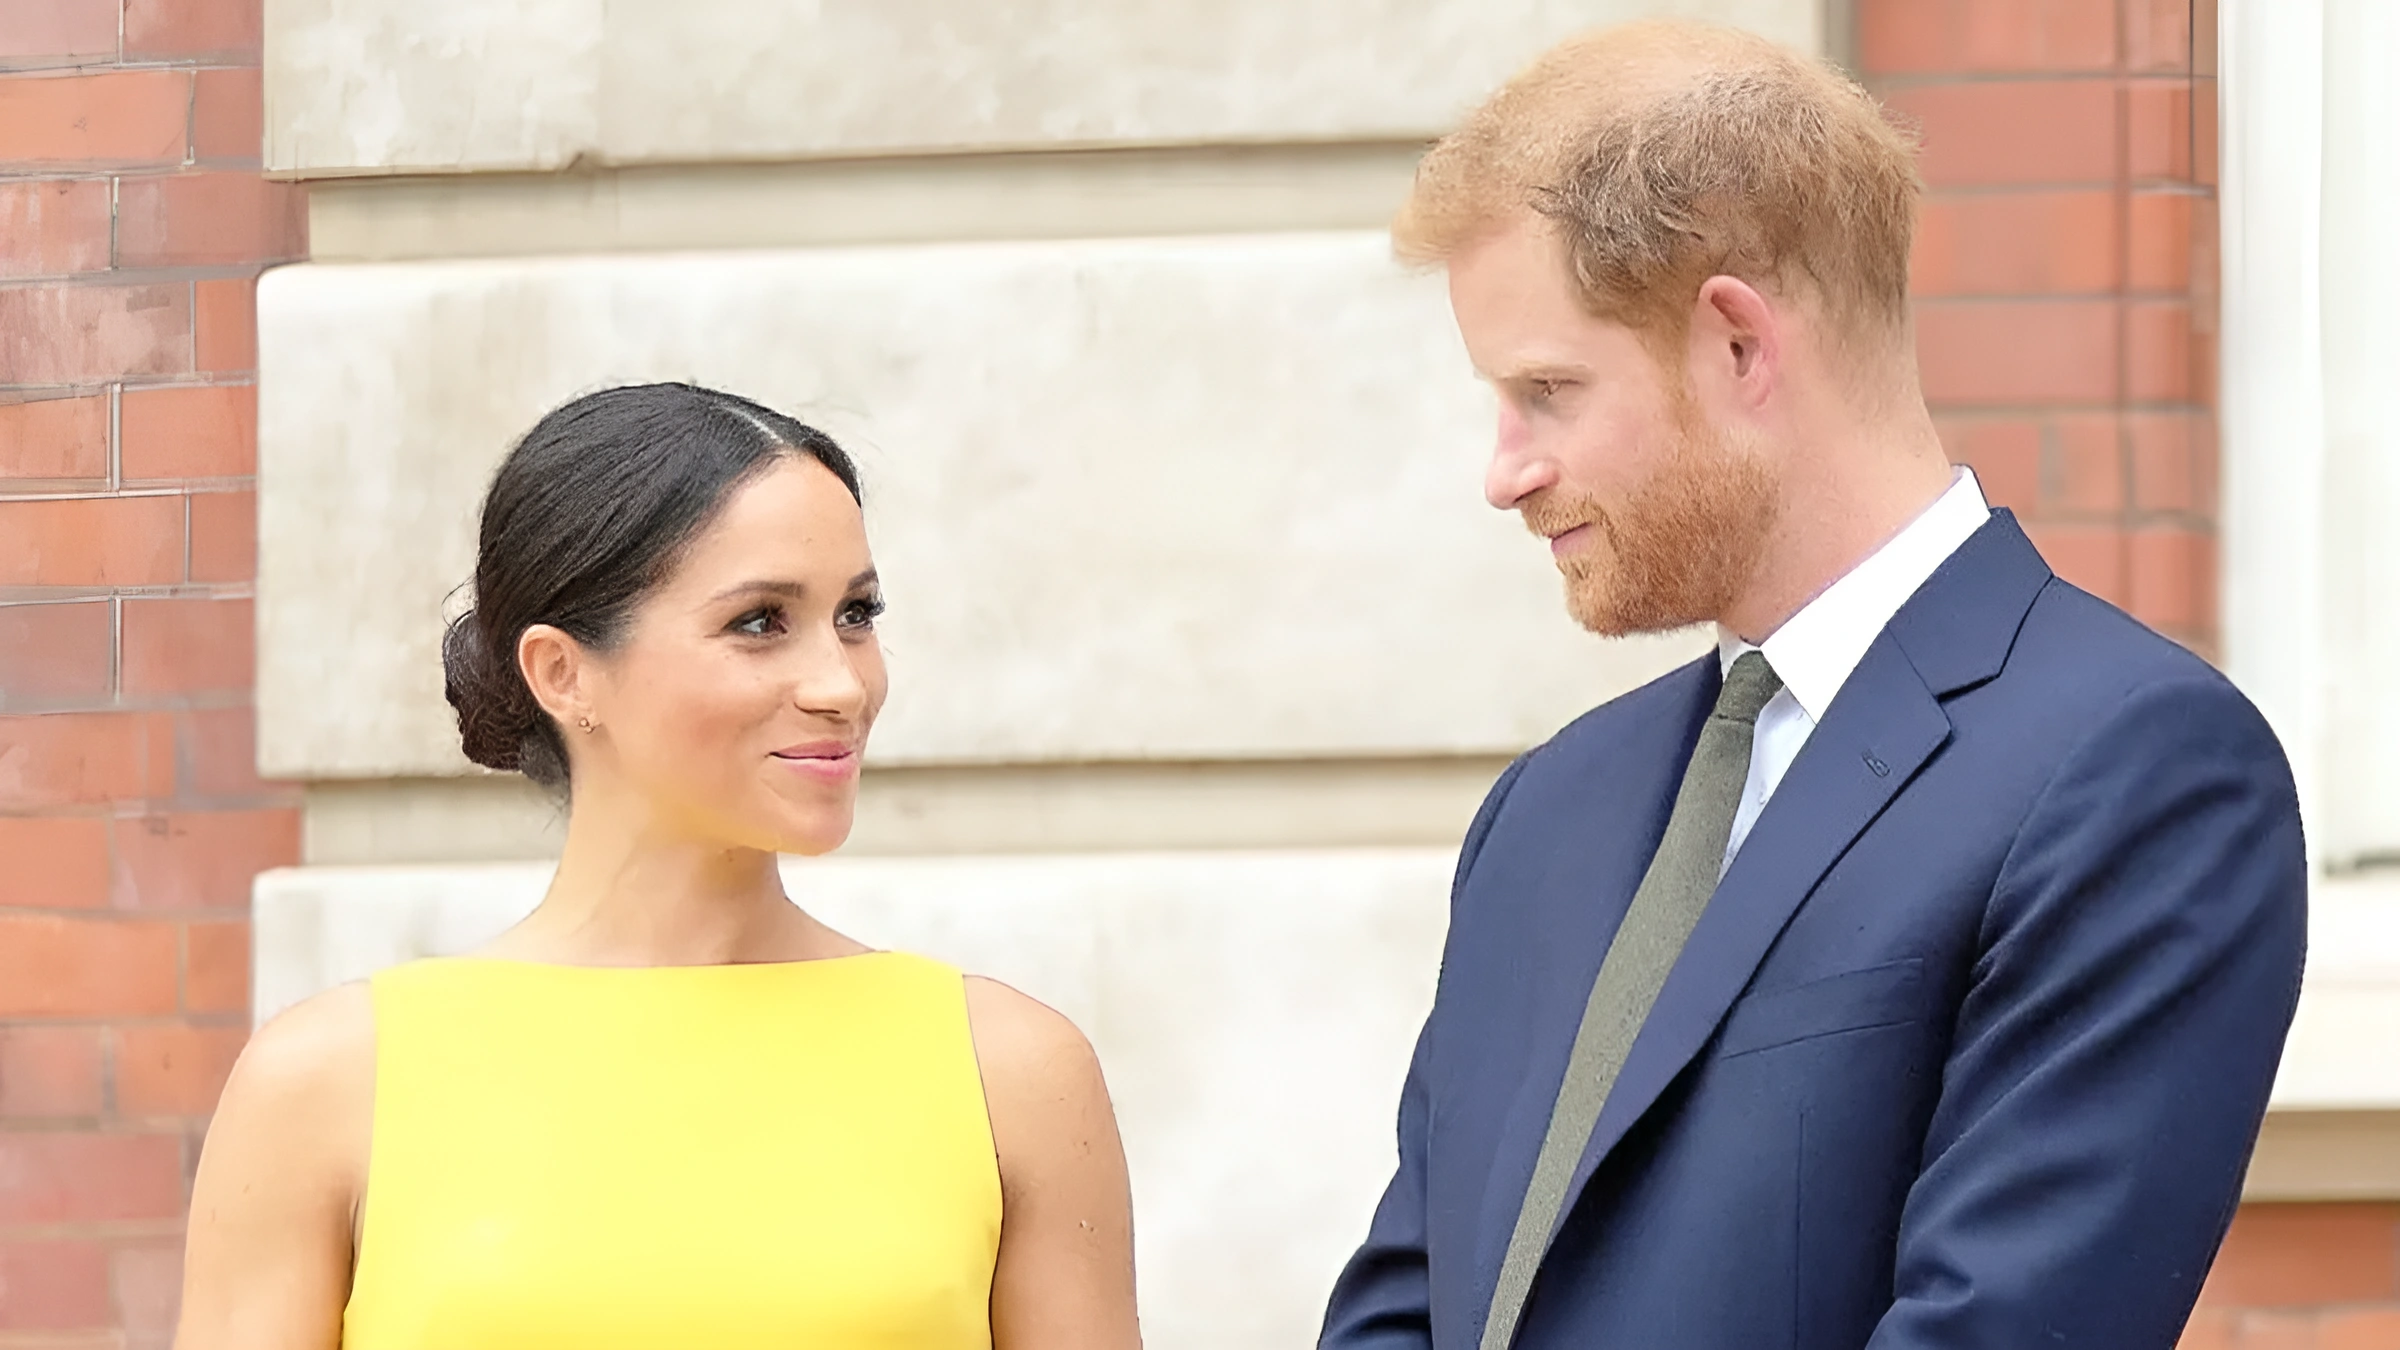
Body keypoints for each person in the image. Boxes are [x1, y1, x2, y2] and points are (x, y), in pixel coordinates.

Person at [1320, 21, 2305, 1350]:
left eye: (1547, 390)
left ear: (1737, 344)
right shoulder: (1546, 812)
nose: (1504, 469)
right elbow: (1403, 1307)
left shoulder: (2133, 770)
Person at [177, 383, 1142, 1349]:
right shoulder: (325, 1085)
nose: (843, 684)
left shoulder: (1011, 1073)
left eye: (857, 613)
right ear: (562, 672)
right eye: (761, 621)